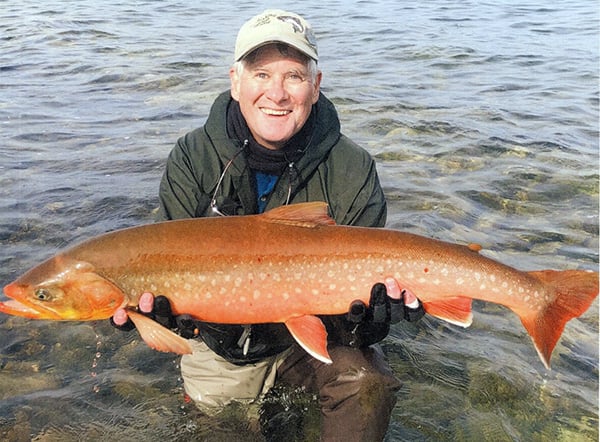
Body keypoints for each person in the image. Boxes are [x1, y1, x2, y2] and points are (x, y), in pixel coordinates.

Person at [112, 9, 425, 441]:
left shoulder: (351, 167)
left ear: (315, 87)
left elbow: (360, 320)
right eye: (261, 74)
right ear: (235, 80)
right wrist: (164, 319)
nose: (276, 93)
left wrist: (373, 320)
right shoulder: (193, 157)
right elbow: (163, 269)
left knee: (365, 383)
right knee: (220, 432)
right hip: (221, 348)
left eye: (293, 76)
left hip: (315, 342)